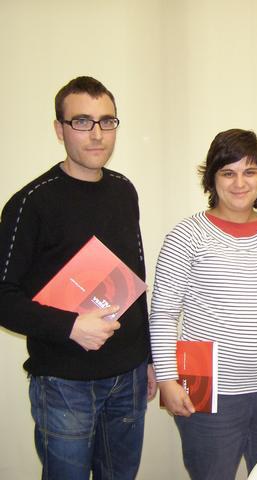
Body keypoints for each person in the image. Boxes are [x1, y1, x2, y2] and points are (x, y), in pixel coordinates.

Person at [0, 76, 156, 479]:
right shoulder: (31, 202)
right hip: (65, 383)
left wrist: (150, 358)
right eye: (82, 122)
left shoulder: (124, 191)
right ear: (60, 129)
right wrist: (71, 326)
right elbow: (4, 298)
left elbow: (135, 279)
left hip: (128, 377)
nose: (97, 134)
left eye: (107, 121)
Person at [150, 128, 257, 480]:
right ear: (212, 178)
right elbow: (163, 313)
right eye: (228, 172)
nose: (239, 183)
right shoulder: (186, 236)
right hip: (208, 391)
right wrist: (166, 378)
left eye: (249, 172)